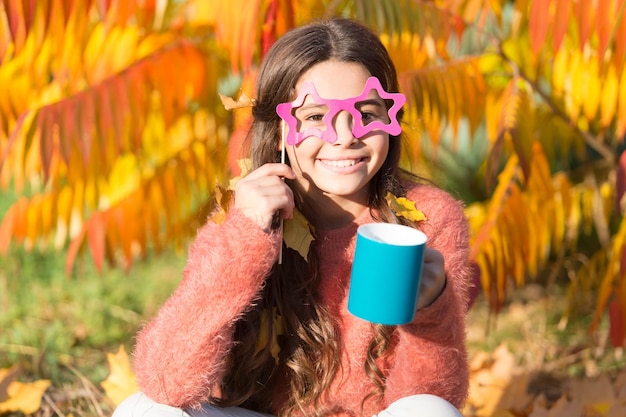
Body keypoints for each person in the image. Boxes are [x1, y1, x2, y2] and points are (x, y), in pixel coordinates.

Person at [113, 17, 471, 417]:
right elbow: (167, 381)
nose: (344, 134)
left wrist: (432, 313)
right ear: (281, 129)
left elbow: (434, 397)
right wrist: (244, 237)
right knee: (143, 409)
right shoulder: (248, 214)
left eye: (367, 112)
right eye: (316, 116)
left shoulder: (427, 217)